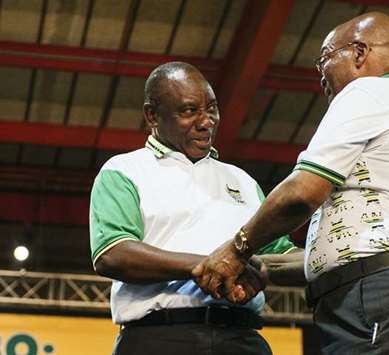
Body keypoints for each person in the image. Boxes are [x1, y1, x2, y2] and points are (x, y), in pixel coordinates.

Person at [193, 12, 389, 355]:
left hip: (385, 302)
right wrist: (258, 266)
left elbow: (301, 193)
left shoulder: (367, 92)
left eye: (325, 58)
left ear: (358, 53)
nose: (320, 74)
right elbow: (352, 248)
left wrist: (237, 248)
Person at [89, 62, 297, 355]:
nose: (207, 121)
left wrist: (342, 253)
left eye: (212, 108)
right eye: (189, 111)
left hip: (243, 339)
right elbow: (112, 253)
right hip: (159, 339)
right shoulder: (124, 171)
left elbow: (280, 254)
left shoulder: (243, 181)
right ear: (152, 115)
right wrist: (207, 265)